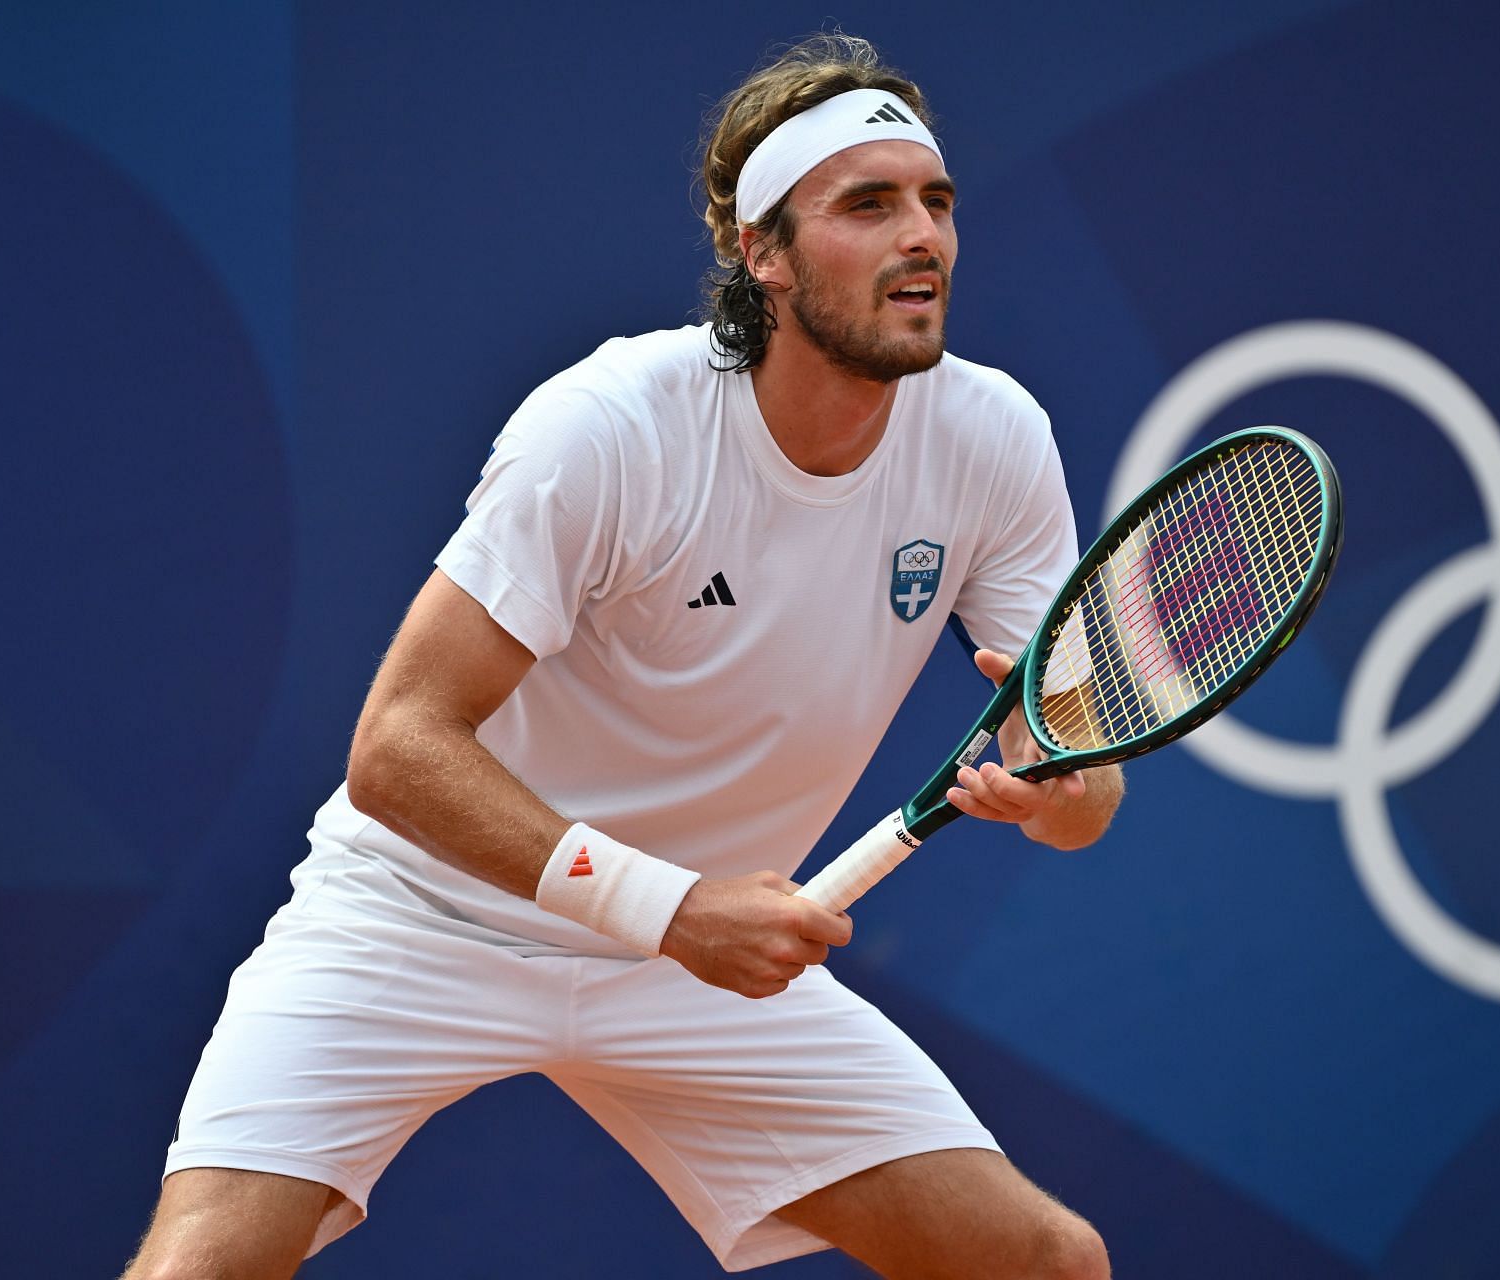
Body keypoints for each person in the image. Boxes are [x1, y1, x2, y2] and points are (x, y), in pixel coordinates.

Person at [125, 32, 1123, 1280]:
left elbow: (1079, 776)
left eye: (935, 201)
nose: (922, 234)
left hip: (700, 961)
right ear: (761, 251)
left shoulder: (995, 438)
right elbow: (396, 748)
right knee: (203, 1269)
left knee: (1044, 1261)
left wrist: (1061, 791)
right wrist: (670, 907)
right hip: (424, 913)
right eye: (868, 205)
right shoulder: (608, 428)